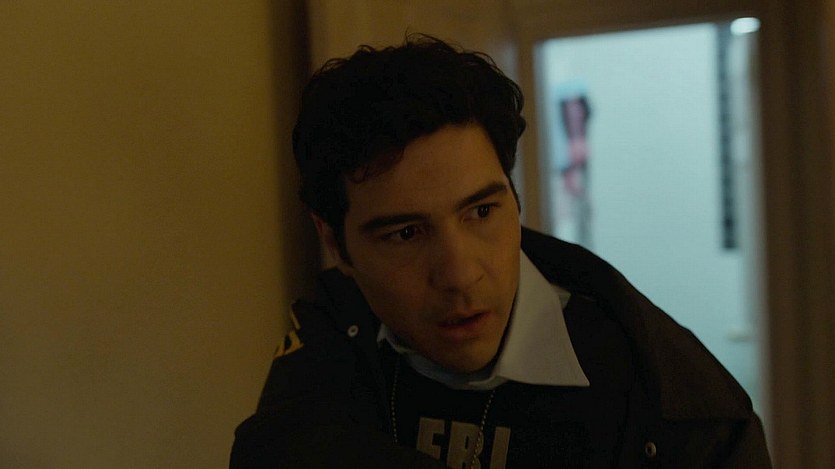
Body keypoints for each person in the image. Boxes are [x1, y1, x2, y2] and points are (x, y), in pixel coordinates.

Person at [230, 35, 771, 468]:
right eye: (406, 234)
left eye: (482, 211)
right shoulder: (333, 327)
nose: (460, 274)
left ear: (514, 199)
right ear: (335, 243)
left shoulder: (675, 404)